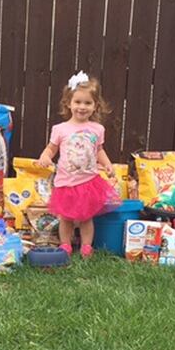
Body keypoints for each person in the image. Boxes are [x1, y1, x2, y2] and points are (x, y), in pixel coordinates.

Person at [37, 70, 119, 258]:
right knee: (65, 217)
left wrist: (108, 165)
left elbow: (99, 150)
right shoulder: (60, 129)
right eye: (78, 102)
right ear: (68, 103)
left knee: (86, 217)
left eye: (88, 103)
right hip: (66, 181)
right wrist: (45, 157)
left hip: (88, 182)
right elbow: (51, 148)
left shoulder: (97, 129)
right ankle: (65, 245)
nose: (82, 107)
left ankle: (86, 247)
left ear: (95, 106)